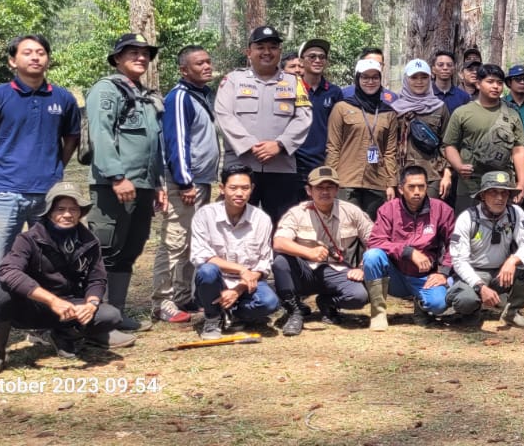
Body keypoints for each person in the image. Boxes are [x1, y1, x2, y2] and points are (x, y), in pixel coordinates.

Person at [0, 34, 81, 359]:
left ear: (48, 59)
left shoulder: (63, 99)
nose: (35, 57)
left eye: (41, 52)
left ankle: (44, 328)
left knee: (50, 267)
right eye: (27, 53)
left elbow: (71, 139)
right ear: (12, 61)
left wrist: (54, 170)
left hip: (47, 197)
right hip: (5, 195)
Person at [0, 183, 134, 378]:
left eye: (73, 209)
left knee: (110, 316)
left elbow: (97, 279)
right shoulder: (28, 239)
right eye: (60, 209)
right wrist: (52, 301)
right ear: (49, 211)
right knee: (2, 294)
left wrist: (92, 303)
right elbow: (9, 272)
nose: (67, 214)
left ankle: (64, 335)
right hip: (33, 306)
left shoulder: (89, 241)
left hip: (69, 306)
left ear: (80, 213)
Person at [87, 33, 167, 333]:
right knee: (106, 251)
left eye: (145, 53)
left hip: (143, 186)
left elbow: (153, 145)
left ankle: (116, 314)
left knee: (130, 250)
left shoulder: (146, 96)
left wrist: (158, 185)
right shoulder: (107, 90)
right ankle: (99, 323)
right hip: (114, 187)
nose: (141, 57)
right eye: (132, 52)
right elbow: (101, 135)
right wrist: (117, 177)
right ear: (117, 58)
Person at [215, 26, 313, 222]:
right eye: (260, 47)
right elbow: (223, 115)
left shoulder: (294, 82)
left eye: (273, 47)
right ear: (249, 52)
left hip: (281, 167)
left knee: (282, 225)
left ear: (280, 52)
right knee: (235, 223)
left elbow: (304, 117)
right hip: (241, 166)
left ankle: (279, 255)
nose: (267, 52)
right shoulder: (233, 80)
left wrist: (279, 145)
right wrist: (251, 145)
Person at [155, 45, 220, 325]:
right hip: (186, 183)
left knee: (193, 241)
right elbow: (176, 142)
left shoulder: (201, 95)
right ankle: (163, 301)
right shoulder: (179, 98)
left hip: (201, 182)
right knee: (175, 241)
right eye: (199, 64)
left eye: (208, 61)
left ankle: (183, 296)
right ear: (184, 70)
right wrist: (184, 182)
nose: (206, 66)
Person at [272, 166, 374, 336]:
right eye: (319, 187)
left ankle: (327, 303)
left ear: (337, 189)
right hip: (305, 271)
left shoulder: (351, 211)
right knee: (281, 261)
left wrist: (362, 267)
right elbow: (279, 242)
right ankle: (294, 312)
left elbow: (375, 240)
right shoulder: (297, 213)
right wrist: (308, 253)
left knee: (359, 296)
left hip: (337, 270)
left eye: (329, 187)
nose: (324, 192)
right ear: (309, 190)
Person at [191, 165, 282, 339]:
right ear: (222, 188)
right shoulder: (204, 215)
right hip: (214, 282)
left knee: (270, 303)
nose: (239, 193)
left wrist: (238, 289)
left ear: (252, 189)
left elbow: (263, 263)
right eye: (233, 188)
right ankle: (212, 318)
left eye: (245, 188)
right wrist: (241, 270)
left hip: (246, 284)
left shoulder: (261, 219)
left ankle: (233, 313)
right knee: (207, 270)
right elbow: (201, 256)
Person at [363, 166, 457, 330]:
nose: (417, 192)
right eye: (411, 187)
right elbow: (376, 241)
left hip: (424, 277)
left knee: (439, 305)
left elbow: (455, 245)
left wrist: (444, 272)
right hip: (395, 275)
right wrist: (408, 251)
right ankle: (378, 313)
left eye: (421, 186)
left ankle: (421, 306)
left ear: (427, 187)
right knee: (372, 256)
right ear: (400, 189)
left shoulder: (442, 210)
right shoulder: (388, 209)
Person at [448, 172, 524, 328]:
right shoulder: (467, 218)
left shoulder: (515, 213)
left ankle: (511, 312)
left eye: (504, 192)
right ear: (483, 196)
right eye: (493, 192)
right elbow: (459, 261)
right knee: (466, 301)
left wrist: (513, 260)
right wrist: (480, 286)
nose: (500, 198)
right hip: (475, 272)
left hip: (503, 272)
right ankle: (471, 311)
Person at [444, 64, 524, 211]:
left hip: (502, 185)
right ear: (478, 83)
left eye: (499, 83)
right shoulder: (462, 113)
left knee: (503, 229)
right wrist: (458, 166)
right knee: (468, 227)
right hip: (470, 185)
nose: (496, 86)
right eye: (490, 82)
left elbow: (518, 150)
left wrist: (521, 183)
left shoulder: (512, 114)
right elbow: (450, 145)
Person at [325, 59, 400, 218]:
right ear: (357, 80)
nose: (370, 82)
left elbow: (390, 153)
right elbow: (333, 147)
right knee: (347, 230)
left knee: (371, 231)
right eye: (365, 77)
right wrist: (330, 180)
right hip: (346, 181)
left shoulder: (389, 113)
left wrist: (391, 184)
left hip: (377, 182)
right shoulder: (342, 108)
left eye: (375, 77)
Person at [390, 59, 453, 201]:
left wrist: (447, 174)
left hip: (432, 175)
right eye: (414, 77)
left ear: (430, 79)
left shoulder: (439, 107)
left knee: (430, 218)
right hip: (402, 175)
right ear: (406, 79)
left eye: (424, 77)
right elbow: (389, 147)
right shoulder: (395, 109)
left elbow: (447, 143)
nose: (419, 82)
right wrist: (390, 180)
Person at [293, 39, 344, 178]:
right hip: (294, 162)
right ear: (301, 61)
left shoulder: (334, 92)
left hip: (323, 161)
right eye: (312, 56)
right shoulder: (291, 88)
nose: (317, 60)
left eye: (322, 57)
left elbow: (339, 130)